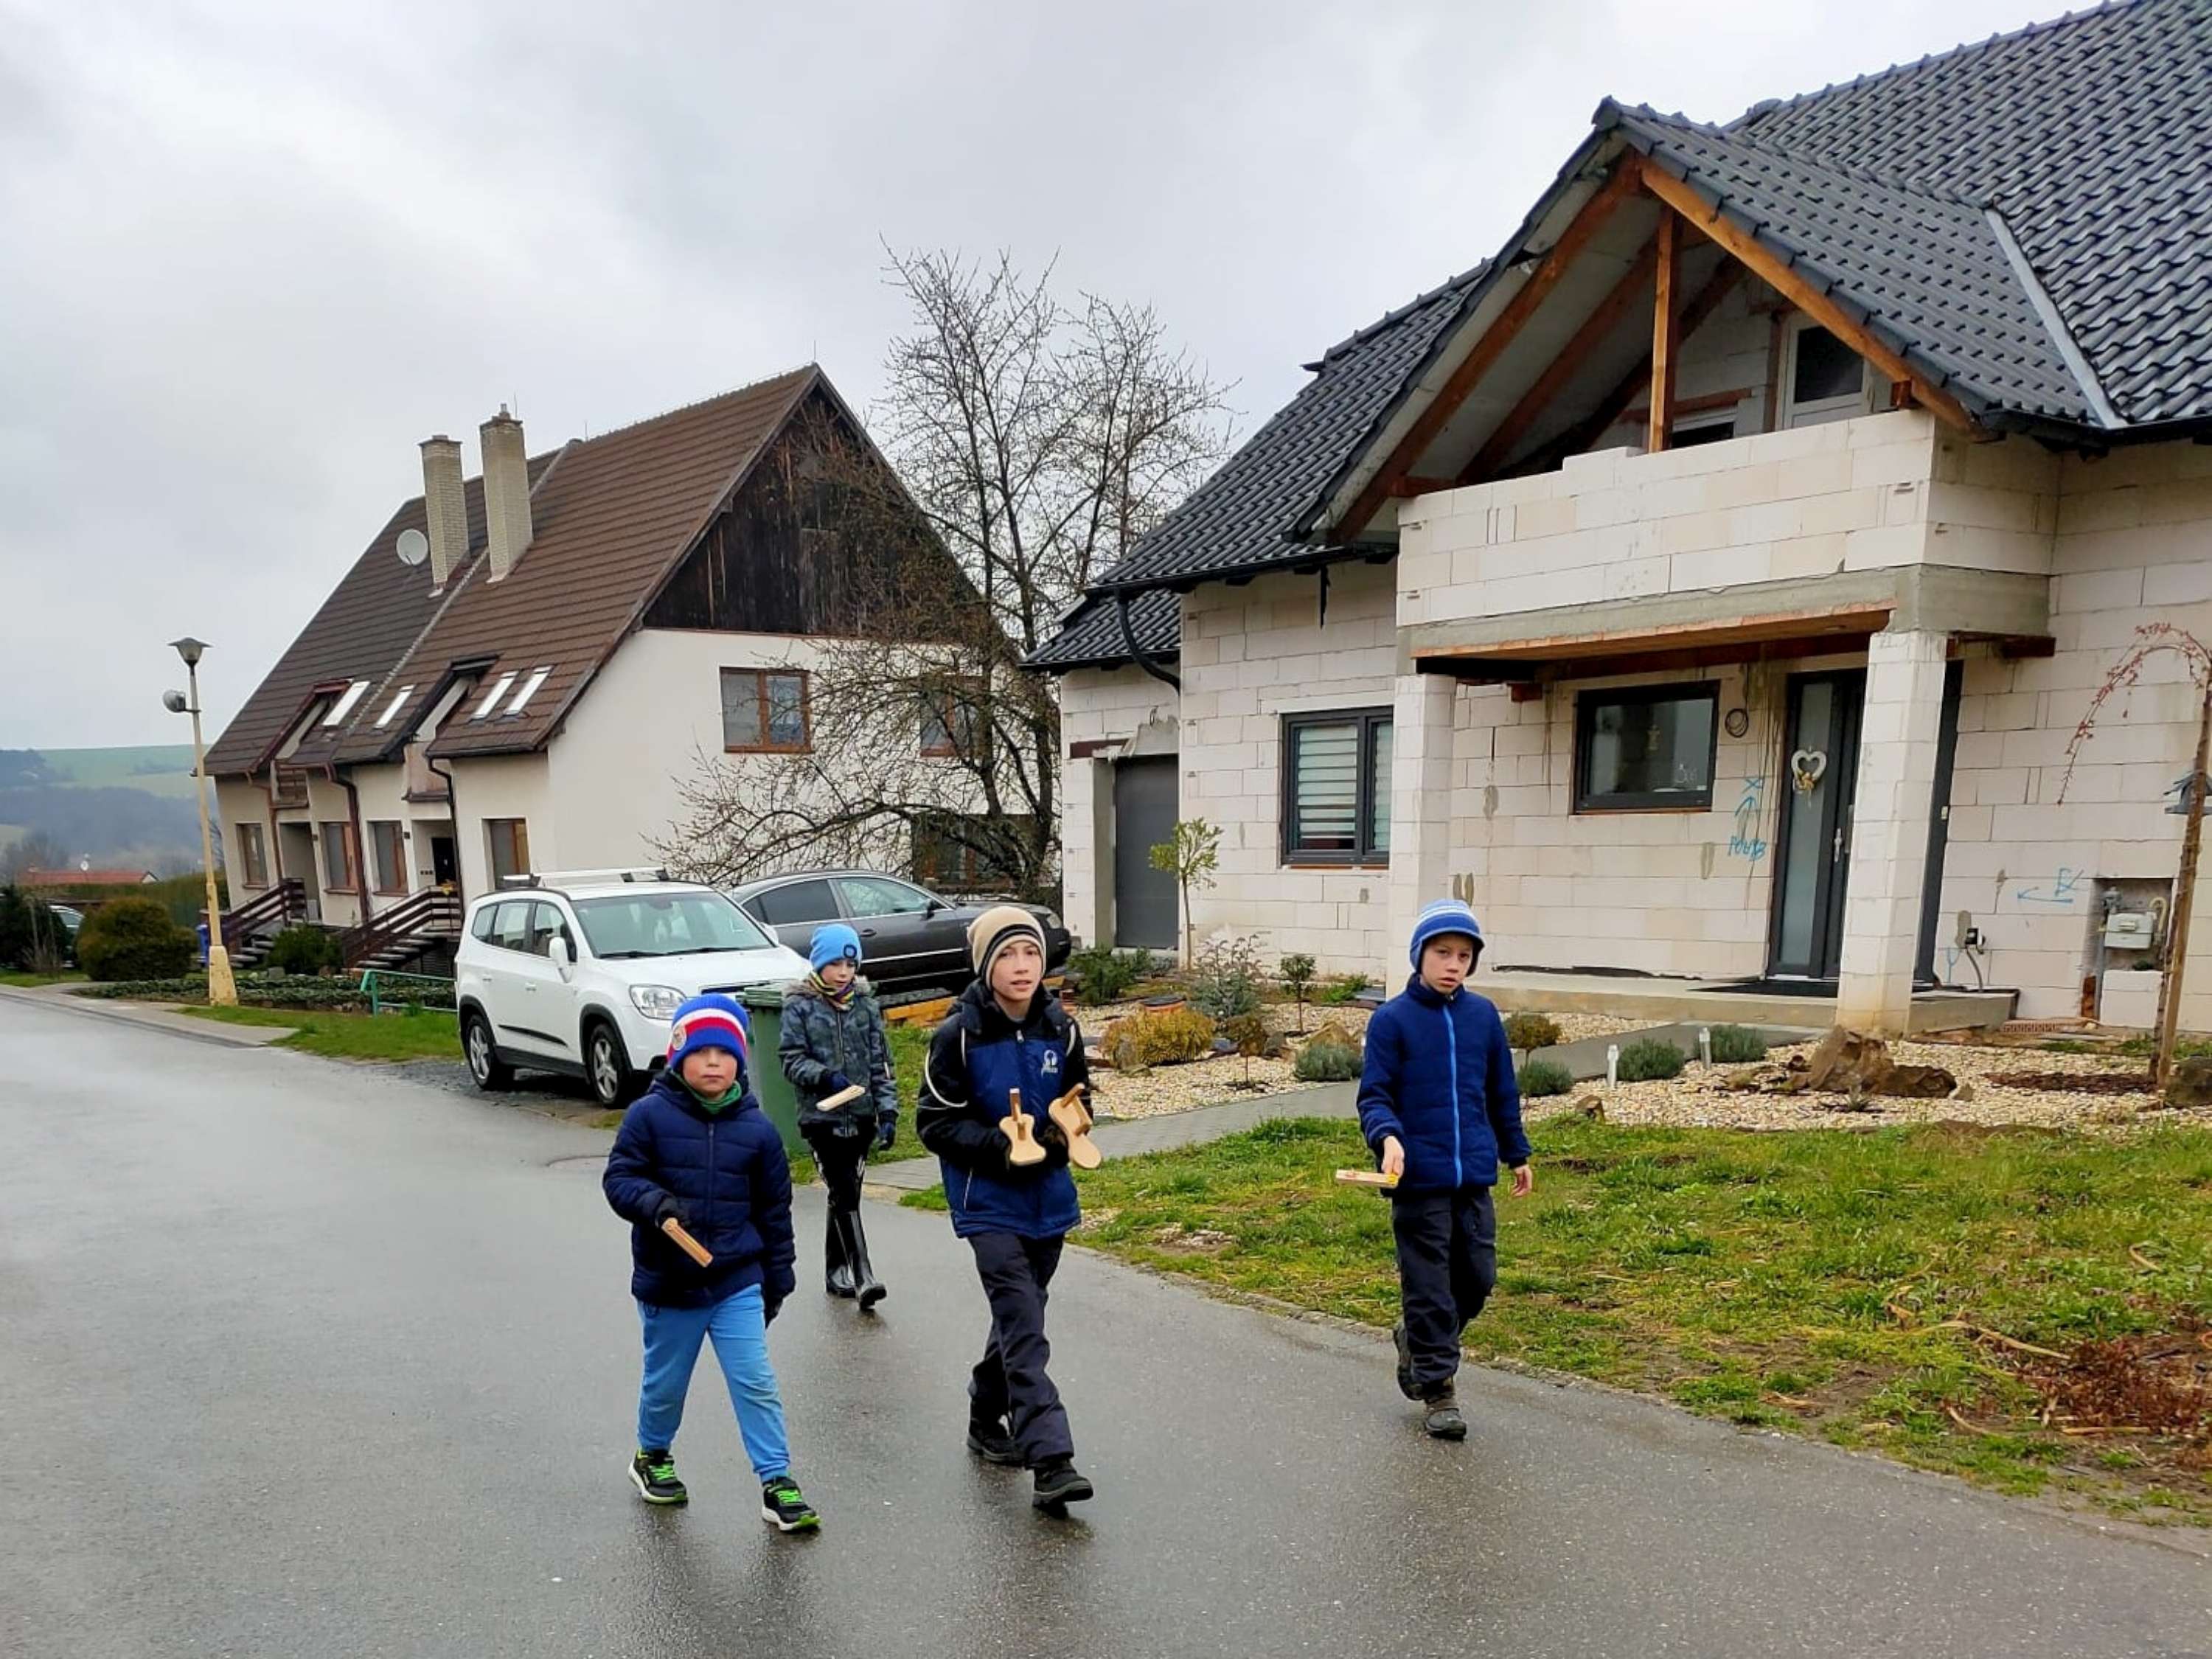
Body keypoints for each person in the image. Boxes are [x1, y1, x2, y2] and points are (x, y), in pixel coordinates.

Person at [602, 993, 819, 1532]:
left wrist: (778, 1279)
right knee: (666, 1384)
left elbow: (774, 1213)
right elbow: (620, 1178)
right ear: (679, 1056)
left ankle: (777, 1481)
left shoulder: (759, 1131)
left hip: (736, 1281)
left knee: (755, 1381)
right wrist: (655, 1204)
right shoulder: (649, 1116)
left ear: (740, 1062)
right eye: (702, 1053)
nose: (714, 1064)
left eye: (725, 1054)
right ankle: (652, 1455)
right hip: (670, 1282)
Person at [915, 907, 1095, 1511]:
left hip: (1049, 1201)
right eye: (1008, 955)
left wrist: (1061, 1136)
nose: (1022, 967)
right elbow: (934, 1123)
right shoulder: (958, 1036)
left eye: (1031, 953)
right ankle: (1051, 1459)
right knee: (1024, 1325)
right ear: (986, 965)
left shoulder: (1061, 1029)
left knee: (1021, 1317)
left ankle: (983, 1412)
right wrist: (1002, 1147)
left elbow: (1079, 1101)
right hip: (987, 1202)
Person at [1356, 899, 1534, 1440]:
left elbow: (1501, 1091)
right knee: (1429, 1286)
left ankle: (1417, 1338)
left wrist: (1517, 1153)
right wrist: (1388, 1138)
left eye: (1463, 955)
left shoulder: (1482, 1018)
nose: (1454, 964)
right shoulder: (1392, 1021)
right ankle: (1438, 1390)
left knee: (1477, 1279)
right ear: (1419, 955)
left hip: (1473, 1176)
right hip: (1418, 1181)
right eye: (1442, 953)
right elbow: (1375, 1096)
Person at [779, 922, 900, 1310]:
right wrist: (824, 1077)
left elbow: (881, 1063)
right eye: (835, 964)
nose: (843, 972)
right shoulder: (800, 1006)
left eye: (850, 965)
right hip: (822, 1119)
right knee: (844, 1189)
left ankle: (835, 1271)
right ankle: (863, 1275)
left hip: (860, 1117)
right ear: (819, 964)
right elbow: (791, 1060)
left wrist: (888, 1111)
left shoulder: (866, 1006)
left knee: (846, 1194)